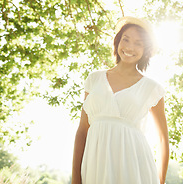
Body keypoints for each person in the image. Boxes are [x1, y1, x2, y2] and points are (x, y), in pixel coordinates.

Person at [71, 16, 169, 184]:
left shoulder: (152, 88)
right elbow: (82, 131)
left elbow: (162, 139)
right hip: (95, 166)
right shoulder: (94, 79)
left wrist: (160, 180)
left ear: (145, 49)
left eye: (138, 43)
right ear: (117, 42)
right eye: (126, 39)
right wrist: (75, 178)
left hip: (134, 167)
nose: (130, 47)